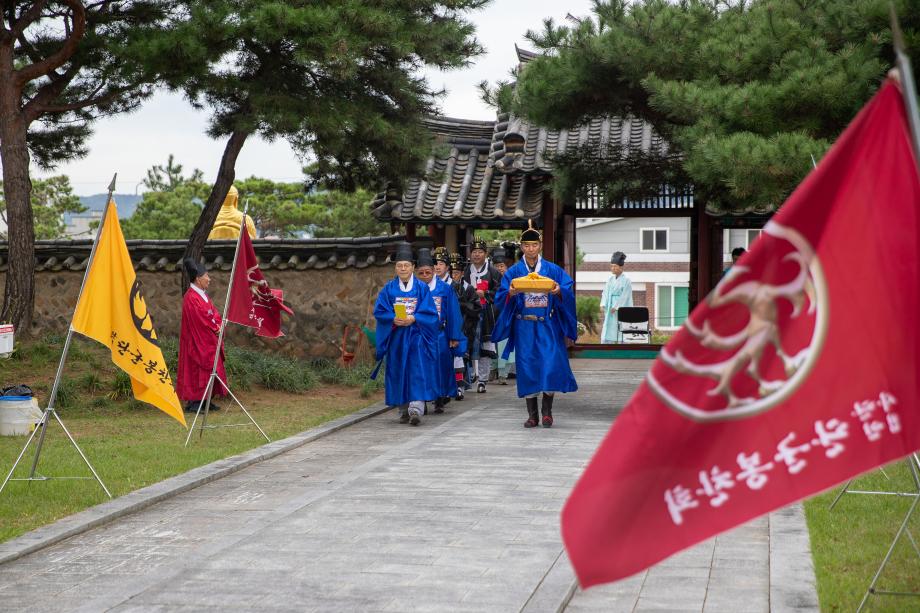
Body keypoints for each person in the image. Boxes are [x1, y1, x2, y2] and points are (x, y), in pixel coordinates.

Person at [494, 222, 578, 428]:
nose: (530, 249)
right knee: (527, 367)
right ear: (522, 247)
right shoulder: (514, 272)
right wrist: (510, 293)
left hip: (548, 324)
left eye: (534, 245)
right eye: (526, 245)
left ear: (540, 246)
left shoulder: (552, 269)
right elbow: (500, 297)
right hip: (524, 326)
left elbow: (567, 289)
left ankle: (547, 412)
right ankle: (532, 415)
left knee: (550, 364)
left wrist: (559, 291)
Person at [372, 242, 440, 426]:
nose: (403, 268)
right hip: (397, 338)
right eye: (399, 265)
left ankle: (416, 409)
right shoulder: (388, 289)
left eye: (406, 265)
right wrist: (392, 318)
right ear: (395, 268)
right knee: (398, 371)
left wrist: (414, 318)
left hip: (417, 336)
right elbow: (380, 311)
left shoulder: (422, 288)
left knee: (417, 371)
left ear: (412, 267)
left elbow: (431, 313)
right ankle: (403, 409)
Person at [415, 248, 463, 413]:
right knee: (422, 366)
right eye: (421, 273)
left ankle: (440, 397)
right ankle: (422, 399)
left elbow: (453, 313)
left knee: (441, 366)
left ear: (433, 270)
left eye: (428, 272)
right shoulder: (414, 288)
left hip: (439, 334)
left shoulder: (444, 288)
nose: (425, 275)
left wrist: (454, 335)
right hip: (419, 333)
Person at [176, 258, 227, 413]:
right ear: (198, 279)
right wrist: (216, 327)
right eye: (206, 276)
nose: (209, 279)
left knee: (209, 369)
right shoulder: (191, 297)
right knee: (197, 370)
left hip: (208, 338)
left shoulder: (202, 295)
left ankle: (206, 400)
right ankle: (195, 402)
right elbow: (200, 320)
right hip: (197, 340)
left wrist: (219, 325)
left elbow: (214, 313)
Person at [462, 237, 502, 393]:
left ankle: (483, 380)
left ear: (485, 253)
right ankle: (471, 375)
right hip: (470, 313)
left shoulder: (493, 272)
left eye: (480, 251)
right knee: (469, 344)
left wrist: (485, 293)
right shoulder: (466, 271)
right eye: (474, 252)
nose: (477, 254)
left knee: (485, 346)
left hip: (486, 313)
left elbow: (500, 292)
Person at [450, 253, 481, 400]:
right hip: (450, 326)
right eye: (452, 273)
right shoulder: (445, 286)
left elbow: (476, 307)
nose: (454, 276)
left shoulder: (468, 288)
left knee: (461, 358)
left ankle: (460, 387)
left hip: (465, 326)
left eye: (456, 273)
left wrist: (462, 305)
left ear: (462, 273)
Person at [491, 247, 515, 385]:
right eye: (497, 266)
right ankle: (492, 370)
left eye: (502, 266)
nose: (499, 269)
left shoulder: (511, 280)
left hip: (506, 316)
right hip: (492, 315)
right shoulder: (490, 278)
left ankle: (503, 374)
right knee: (492, 345)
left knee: (504, 344)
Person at [600, 251, 633, 343]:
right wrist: (603, 304)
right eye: (611, 266)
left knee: (621, 327)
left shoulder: (626, 280)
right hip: (610, 306)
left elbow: (625, 296)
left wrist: (617, 307)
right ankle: (607, 344)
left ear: (621, 267)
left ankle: (622, 344)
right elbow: (605, 293)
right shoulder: (610, 280)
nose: (613, 268)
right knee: (609, 327)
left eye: (615, 266)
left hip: (620, 308)